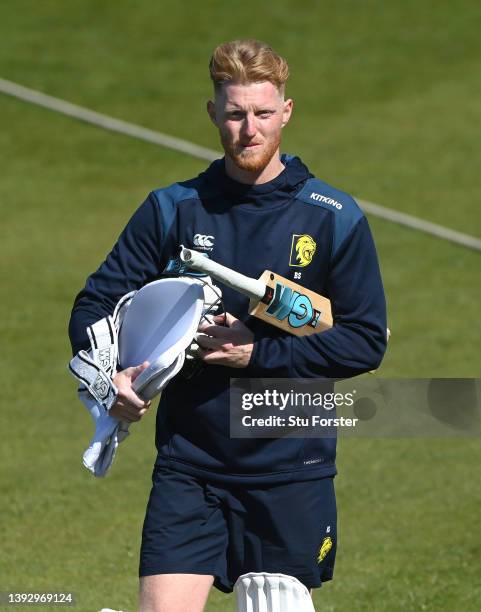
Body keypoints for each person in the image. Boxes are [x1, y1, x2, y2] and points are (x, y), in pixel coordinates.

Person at [69, 39, 387, 612]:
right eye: (236, 113)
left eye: (263, 114)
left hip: (291, 469)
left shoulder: (333, 217)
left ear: (286, 112)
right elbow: (94, 305)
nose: (249, 129)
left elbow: (365, 340)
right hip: (190, 465)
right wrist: (109, 378)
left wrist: (257, 355)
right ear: (213, 112)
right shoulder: (174, 209)